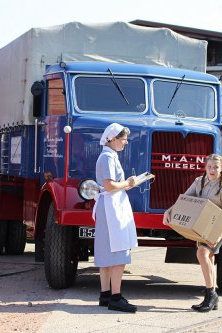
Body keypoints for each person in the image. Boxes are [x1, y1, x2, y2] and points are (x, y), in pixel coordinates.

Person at [163, 154, 222, 312]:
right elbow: (184, 199)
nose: (212, 170)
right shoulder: (198, 182)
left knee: (202, 254)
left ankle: (210, 294)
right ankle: (212, 296)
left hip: (218, 227)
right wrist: (169, 210)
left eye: (216, 167)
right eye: (209, 167)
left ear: (221, 169)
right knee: (208, 256)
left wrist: (216, 235)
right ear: (205, 168)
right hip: (203, 226)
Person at [92, 123, 138, 313]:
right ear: (112, 139)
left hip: (108, 206)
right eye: (123, 139)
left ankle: (105, 295)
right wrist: (128, 183)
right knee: (119, 252)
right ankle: (116, 297)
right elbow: (109, 185)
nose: (126, 142)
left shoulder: (108, 156)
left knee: (106, 252)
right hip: (112, 208)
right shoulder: (108, 158)